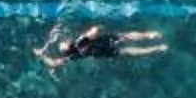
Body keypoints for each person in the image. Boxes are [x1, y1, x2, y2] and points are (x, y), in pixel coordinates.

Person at [35, 21, 168, 68]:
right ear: (69, 46)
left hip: (102, 52)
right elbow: (93, 32)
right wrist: (97, 28)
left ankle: (157, 48)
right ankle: (150, 36)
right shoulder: (79, 41)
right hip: (105, 42)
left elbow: (54, 63)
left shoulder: (73, 56)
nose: (64, 41)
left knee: (128, 50)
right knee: (126, 37)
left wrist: (41, 56)